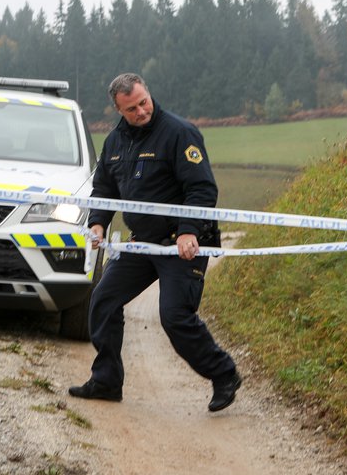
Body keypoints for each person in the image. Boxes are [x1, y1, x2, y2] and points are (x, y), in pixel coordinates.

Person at [69, 73, 241, 412]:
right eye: (131, 109)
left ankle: (224, 374)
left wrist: (190, 229)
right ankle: (106, 380)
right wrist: (98, 224)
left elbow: (202, 188)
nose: (141, 111)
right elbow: (103, 189)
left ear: (149, 93)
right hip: (143, 243)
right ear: (118, 110)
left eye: (143, 102)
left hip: (184, 243)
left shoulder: (179, 133)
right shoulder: (116, 142)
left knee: (175, 316)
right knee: (103, 299)